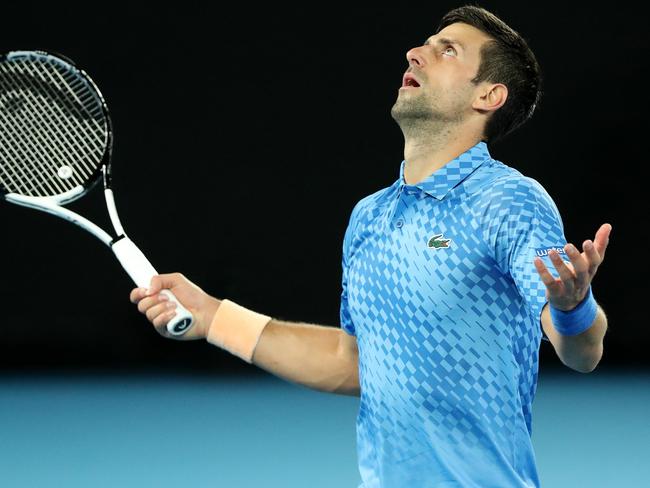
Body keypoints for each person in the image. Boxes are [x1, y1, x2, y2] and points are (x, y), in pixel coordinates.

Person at [130, 5, 611, 487]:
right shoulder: (369, 217)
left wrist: (572, 306)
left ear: (488, 95)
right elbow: (354, 362)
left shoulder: (508, 200)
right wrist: (215, 317)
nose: (416, 53)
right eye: (427, 42)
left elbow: (582, 352)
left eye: (448, 51)